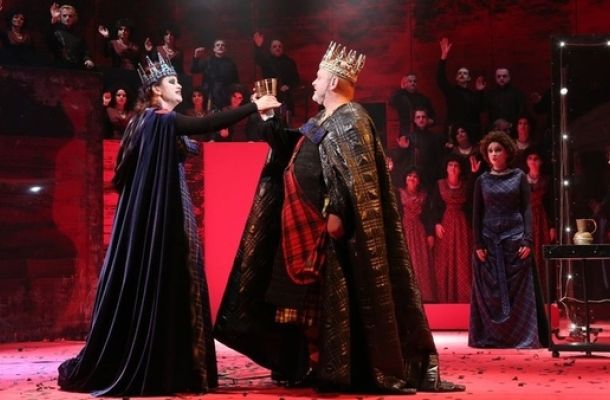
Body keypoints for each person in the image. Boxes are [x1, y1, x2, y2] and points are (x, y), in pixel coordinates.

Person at [214, 41, 464, 394]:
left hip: (327, 229)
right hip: (301, 225)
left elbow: (354, 178)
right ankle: (312, 364)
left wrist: (337, 211)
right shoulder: (322, 120)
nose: (314, 82)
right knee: (302, 308)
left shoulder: (352, 120)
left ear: (333, 82)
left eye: (319, 76)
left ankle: (335, 367)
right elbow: (291, 145)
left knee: (326, 306)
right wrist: (268, 118)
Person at [56, 54, 280, 396]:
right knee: (170, 281)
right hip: (160, 221)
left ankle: (171, 362)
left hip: (159, 216)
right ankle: (165, 365)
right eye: (172, 82)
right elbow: (205, 123)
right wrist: (253, 106)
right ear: (156, 90)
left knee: (173, 283)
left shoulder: (147, 122)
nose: (180, 86)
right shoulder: (157, 120)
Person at [469, 131, 546, 348]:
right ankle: (491, 337)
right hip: (489, 242)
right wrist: (478, 244)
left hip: (515, 240)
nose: (494, 154)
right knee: (490, 294)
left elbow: (526, 210)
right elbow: (476, 214)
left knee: (520, 295)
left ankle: (522, 337)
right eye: (490, 151)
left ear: (507, 152)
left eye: (498, 150)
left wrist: (528, 240)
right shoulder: (482, 180)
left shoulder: (519, 177)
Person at [430, 154, 473, 303]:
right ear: (446, 168)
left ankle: (463, 300)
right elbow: (434, 206)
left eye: (456, 166)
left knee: (463, 261)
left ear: (460, 169)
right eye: (450, 165)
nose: (453, 168)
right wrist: (436, 223)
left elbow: (472, 205)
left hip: (462, 226)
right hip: (446, 224)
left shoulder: (466, 185)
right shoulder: (440, 184)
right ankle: (445, 299)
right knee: (445, 261)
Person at [399, 167, 436, 302]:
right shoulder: (398, 193)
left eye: (415, 176)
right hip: (404, 231)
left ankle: (423, 297)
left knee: (421, 263)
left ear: (419, 181)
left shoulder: (423, 196)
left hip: (419, 232)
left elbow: (428, 216)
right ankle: (405, 296)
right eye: (409, 176)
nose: (412, 178)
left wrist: (430, 234)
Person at [437, 37, 483, 144]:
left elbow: (480, 110)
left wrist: (480, 92)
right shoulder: (451, 91)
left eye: (465, 73)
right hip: (454, 134)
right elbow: (440, 79)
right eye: (459, 73)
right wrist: (443, 57)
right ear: (456, 78)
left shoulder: (473, 95)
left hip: (470, 135)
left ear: (469, 78)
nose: (462, 75)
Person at [253, 32, 300, 126]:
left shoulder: (289, 62)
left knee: (286, 124)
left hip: (285, 97)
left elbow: (296, 79)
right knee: (270, 123)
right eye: (274, 46)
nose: (277, 48)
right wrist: (258, 47)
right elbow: (258, 59)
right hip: (269, 97)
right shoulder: (266, 61)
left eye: (279, 46)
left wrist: (288, 86)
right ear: (270, 49)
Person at [190, 39, 239, 110]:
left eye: (223, 45)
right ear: (214, 49)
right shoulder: (208, 61)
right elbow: (194, 70)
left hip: (225, 96)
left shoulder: (231, 63)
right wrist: (196, 57)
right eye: (217, 45)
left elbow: (236, 81)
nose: (220, 46)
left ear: (225, 49)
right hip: (209, 96)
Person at [47, 3, 94, 70]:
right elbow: (48, 41)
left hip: (76, 67)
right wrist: (53, 20)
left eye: (70, 16)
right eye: (64, 16)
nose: (67, 18)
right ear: (60, 17)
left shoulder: (78, 34)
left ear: (74, 17)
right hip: (58, 68)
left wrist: (87, 59)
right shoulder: (55, 31)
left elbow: (84, 51)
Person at [390, 73, 436, 137]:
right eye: (410, 81)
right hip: (406, 132)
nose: (413, 83)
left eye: (415, 81)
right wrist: (402, 88)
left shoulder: (423, 98)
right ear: (405, 83)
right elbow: (392, 102)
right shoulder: (400, 97)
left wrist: (430, 121)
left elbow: (432, 116)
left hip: (421, 133)